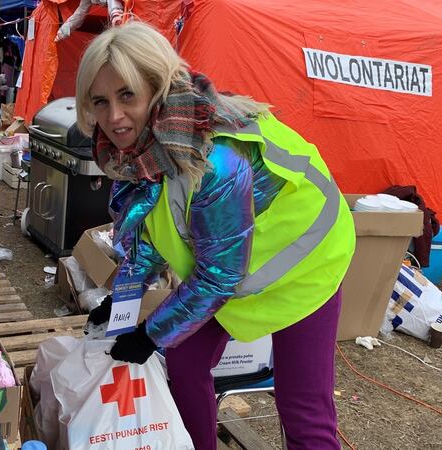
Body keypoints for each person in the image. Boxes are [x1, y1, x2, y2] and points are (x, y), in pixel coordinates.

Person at [77, 21, 356, 450]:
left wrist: (149, 333)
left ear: (158, 88)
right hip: (227, 269)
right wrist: (124, 301)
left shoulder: (216, 161)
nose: (114, 117)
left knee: (302, 407)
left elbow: (217, 277)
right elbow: (149, 236)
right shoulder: (133, 153)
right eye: (100, 100)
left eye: (127, 95)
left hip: (303, 268)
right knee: (185, 366)